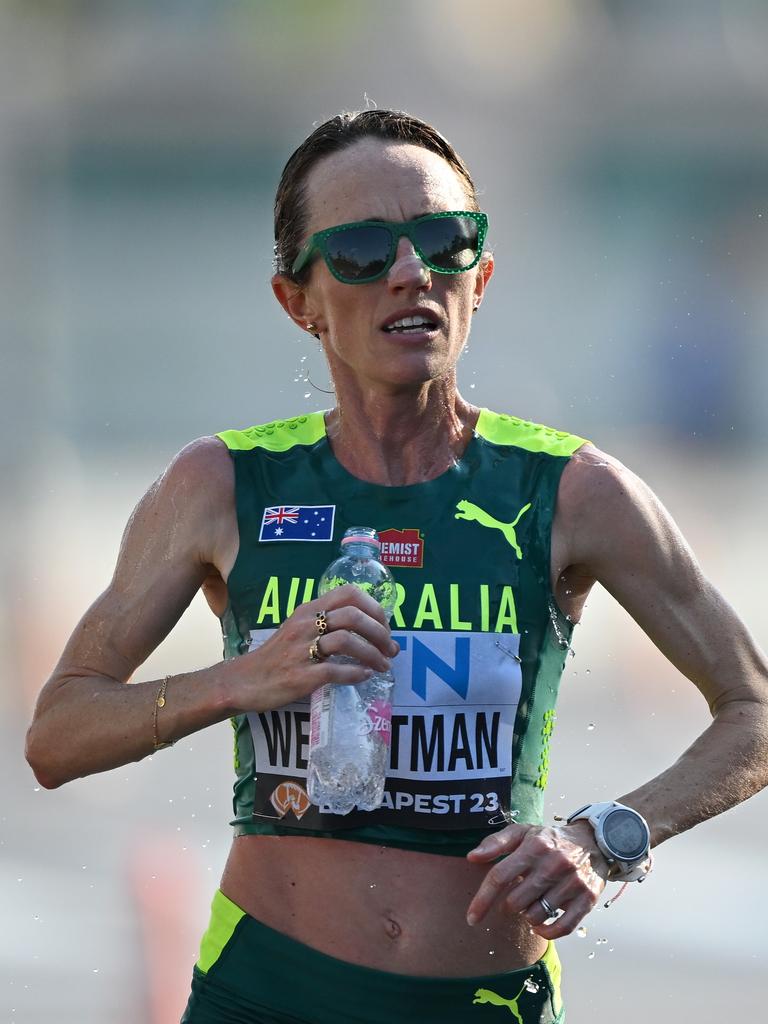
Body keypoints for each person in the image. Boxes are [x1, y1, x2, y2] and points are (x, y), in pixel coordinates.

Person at [25, 109, 768, 1024]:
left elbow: (755, 710)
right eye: (364, 250)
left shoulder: (573, 490)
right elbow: (57, 733)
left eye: (446, 242)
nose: (411, 271)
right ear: (297, 301)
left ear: (481, 278)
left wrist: (605, 838)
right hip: (266, 994)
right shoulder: (221, 483)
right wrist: (244, 677)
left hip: (485, 1001)